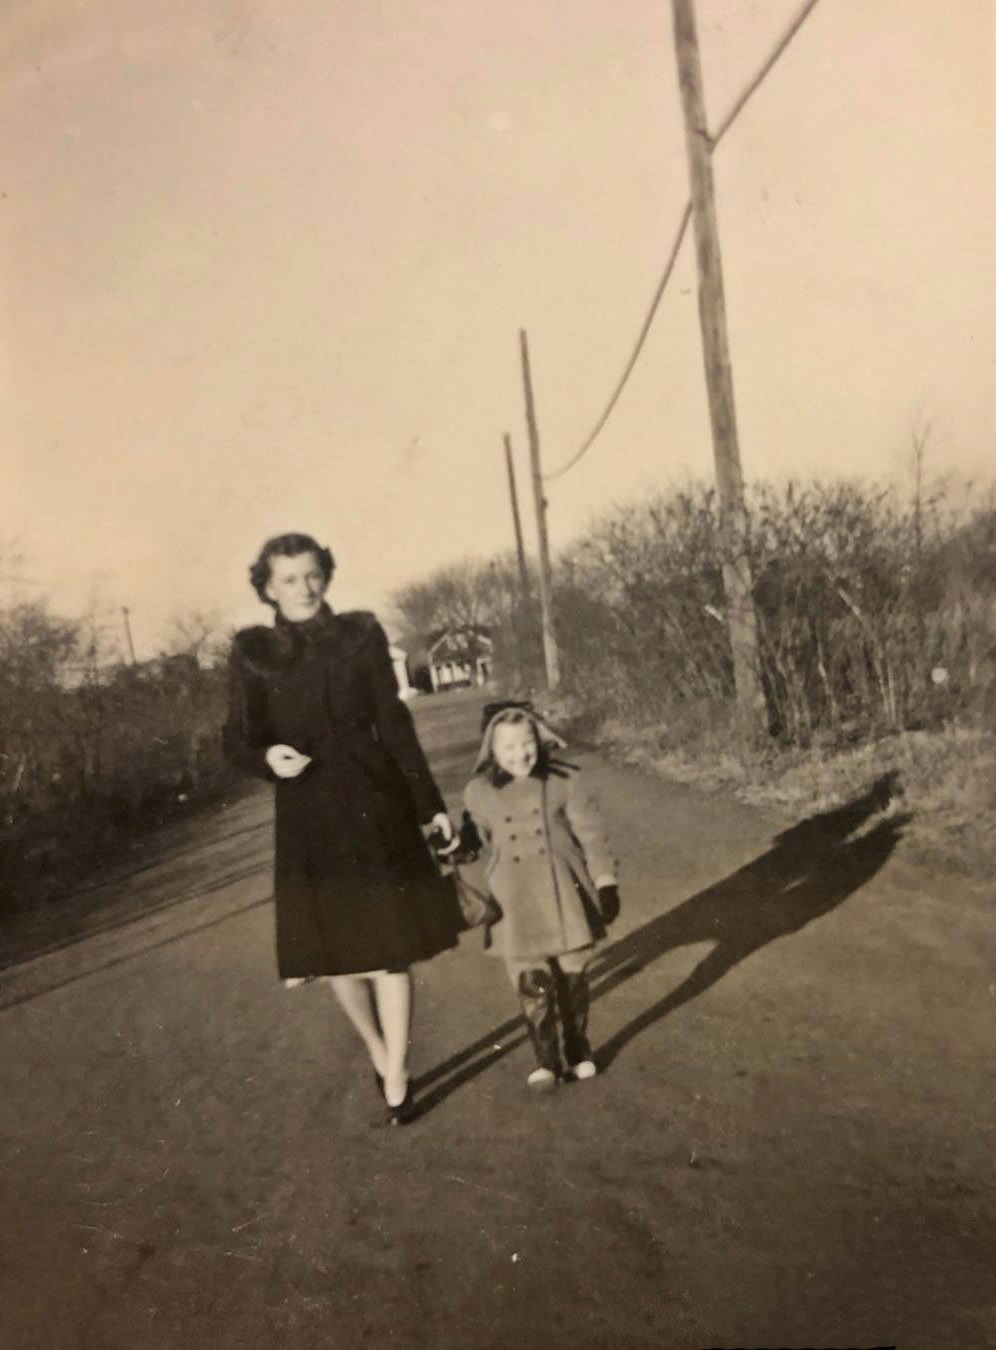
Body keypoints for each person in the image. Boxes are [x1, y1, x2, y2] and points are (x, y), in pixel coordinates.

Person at [222, 532, 461, 1123]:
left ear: (325, 574)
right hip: (308, 814)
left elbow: (393, 720)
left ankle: (399, 1069)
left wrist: (430, 804)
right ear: (267, 589)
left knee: (390, 950)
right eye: (288, 579)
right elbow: (235, 737)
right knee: (336, 953)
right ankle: (379, 1050)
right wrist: (265, 760)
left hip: (376, 802)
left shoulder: (360, 634)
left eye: (312, 575)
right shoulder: (253, 652)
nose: (304, 588)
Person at [463, 702, 620, 1090]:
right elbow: (474, 837)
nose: (520, 754)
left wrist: (604, 880)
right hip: (513, 895)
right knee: (531, 977)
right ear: (492, 752)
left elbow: (591, 835)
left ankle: (578, 1049)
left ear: (540, 739)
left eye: (527, 741)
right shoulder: (479, 792)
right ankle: (546, 1060)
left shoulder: (564, 780)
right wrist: (460, 841)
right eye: (509, 747)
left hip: (563, 886)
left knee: (572, 972)